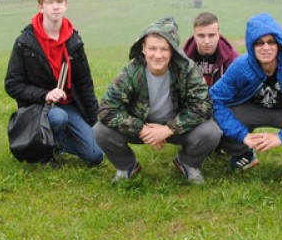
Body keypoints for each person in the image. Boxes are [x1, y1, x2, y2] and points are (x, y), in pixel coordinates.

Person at [93, 17, 222, 184]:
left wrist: (168, 129)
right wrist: (141, 128)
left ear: (172, 51)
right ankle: (127, 166)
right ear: (143, 49)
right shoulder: (131, 72)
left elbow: (203, 106)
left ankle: (188, 163)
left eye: (164, 49)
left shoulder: (187, 69)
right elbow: (106, 109)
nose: (158, 55)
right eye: (152, 48)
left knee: (211, 132)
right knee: (100, 131)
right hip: (142, 125)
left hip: (176, 125)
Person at [210, 12, 282, 175]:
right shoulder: (241, 66)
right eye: (259, 43)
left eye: (271, 42)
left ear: (279, 43)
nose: (266, 47)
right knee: (213, 116)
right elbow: (215, 99)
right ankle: (242, 153)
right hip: (253, 110)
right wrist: (242, 135)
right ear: (251, 46)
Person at [5, 0, 103, 168]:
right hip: (38, 107)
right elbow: (12, 84)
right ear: (40, 7)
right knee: (58, 118)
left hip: (69, 106)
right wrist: (45, 94)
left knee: (95, 156)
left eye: (60, 1)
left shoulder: (74, 40)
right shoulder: (25, 42)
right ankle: (45, 149)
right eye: (50, 2)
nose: (55, 7)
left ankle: (58, 142)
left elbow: (84, 83)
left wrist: (94, 122)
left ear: (66, 5)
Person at [183, 12, 239, 87]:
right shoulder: (183, 58)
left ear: (218, 35)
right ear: (194, 35)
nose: (207, 41)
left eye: (211, 35)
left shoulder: (232, 58)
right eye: (201, 36)